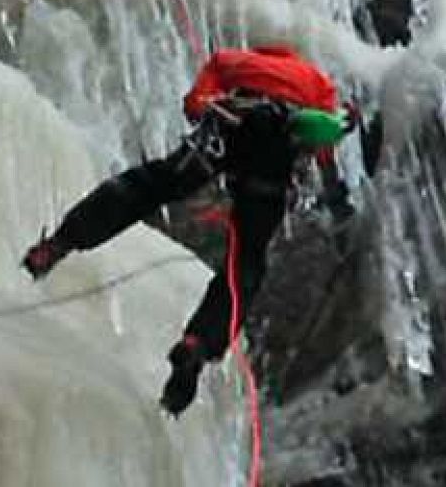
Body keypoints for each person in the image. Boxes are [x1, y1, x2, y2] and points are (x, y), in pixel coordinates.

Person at [20, 45, 356, 416]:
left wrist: (205, 105)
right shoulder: (316, 80)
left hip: (231, 123)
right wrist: (336, 194)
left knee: (153, 185)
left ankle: (59, 243)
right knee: (245, 264)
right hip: (276, 147)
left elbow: (196, 104)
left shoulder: (232, 60)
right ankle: (198, 342)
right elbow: (324, 142)